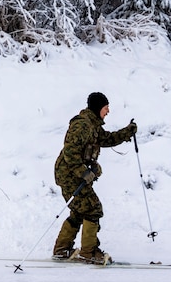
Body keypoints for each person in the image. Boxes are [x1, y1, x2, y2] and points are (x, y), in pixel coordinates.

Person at [51, 91, 136, 264]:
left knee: (79, 211)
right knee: (92, 209)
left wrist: (127, 132)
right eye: (106, 108)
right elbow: (70, 152)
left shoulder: (93, 125)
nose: (108, 111)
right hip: (68, 175)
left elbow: (107, 139)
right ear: (98, 108)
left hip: (72, 174)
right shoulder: (82, 126)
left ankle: (61, 250)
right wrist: (84, 171)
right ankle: (88, 253)